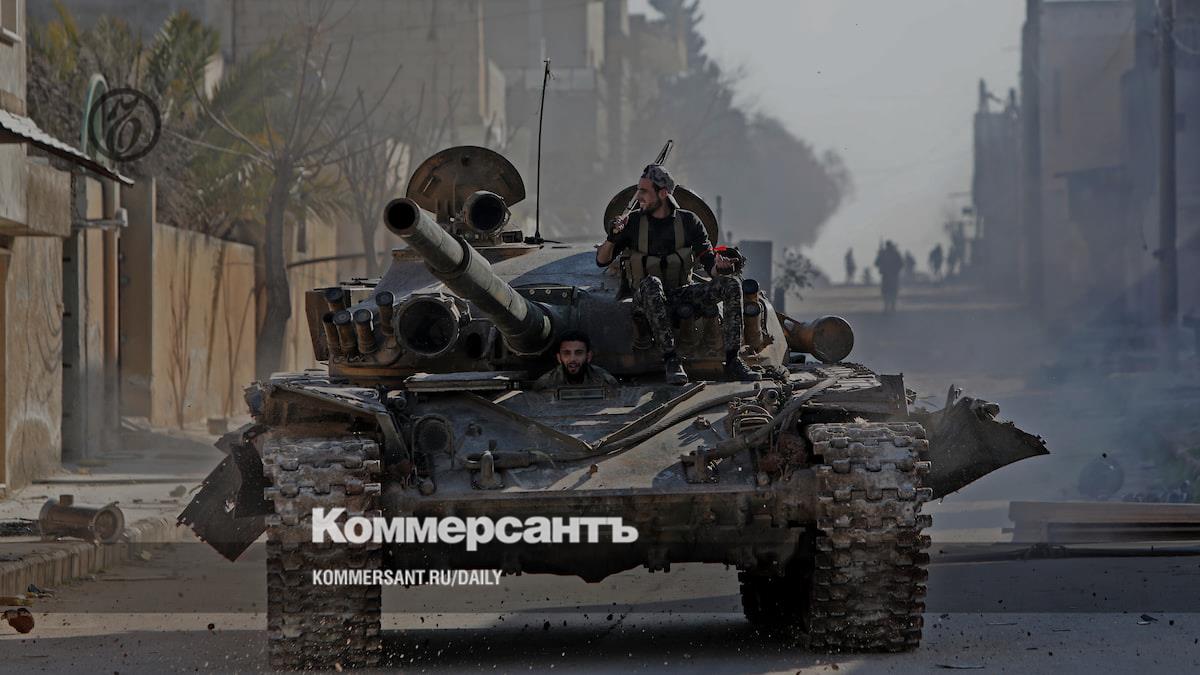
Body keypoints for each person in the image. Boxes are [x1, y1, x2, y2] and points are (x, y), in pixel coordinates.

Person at [595, 164, 759, 385]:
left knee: (731, 284)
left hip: (679, 293)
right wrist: (613, 237)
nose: (638, 196)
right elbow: (602, 260)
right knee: (652, 283)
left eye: (644, 191)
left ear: (663, 193)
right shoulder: (633, 222)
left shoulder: (689, 222)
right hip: (644, 298)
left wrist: (721, 268)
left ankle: (732, 360)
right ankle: (671, 360)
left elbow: (709, 264)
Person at [533, 330, 618, 390]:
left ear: (588, 356)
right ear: (559, 358)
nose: (572, 359)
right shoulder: (545, 385)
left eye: (579, 353)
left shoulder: (605, 381)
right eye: (566, 353)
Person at [875, 240, 904, 313]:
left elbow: (876, 263)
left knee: (888, 292)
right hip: (891, 275)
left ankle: (888, 307)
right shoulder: (895, 253)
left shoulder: (884, 253)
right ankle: (890, 307)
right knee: (891, 292)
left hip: (888, 275)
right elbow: (901, 264)